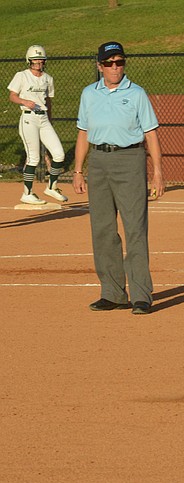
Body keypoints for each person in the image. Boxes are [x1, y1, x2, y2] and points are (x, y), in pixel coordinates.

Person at [72, 41, 165, 315]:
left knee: (135, 228)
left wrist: (158, 172)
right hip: (99, 162)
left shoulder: (136, 93)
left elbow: (151, 134)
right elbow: (82, 133)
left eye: (120, 62)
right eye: (110, 63)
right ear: (100, 66)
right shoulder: (89, 94)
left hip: (130, 160)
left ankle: (140, 295)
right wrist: (78, 170)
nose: (116, 68)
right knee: (102, 229)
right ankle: (112, 293)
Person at [7, 45, 67, 205]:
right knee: (33, 157)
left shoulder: (48, 78)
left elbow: (48, 100)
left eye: (41, 59)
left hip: (44, 119)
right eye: (35, 59)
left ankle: (52, 187)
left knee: (59, 154)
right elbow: (12, 96)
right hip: (28, 119)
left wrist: (50, 118)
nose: (39, 62)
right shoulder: (22, 76)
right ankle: (27, 193)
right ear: (29, 60)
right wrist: (24, 101)